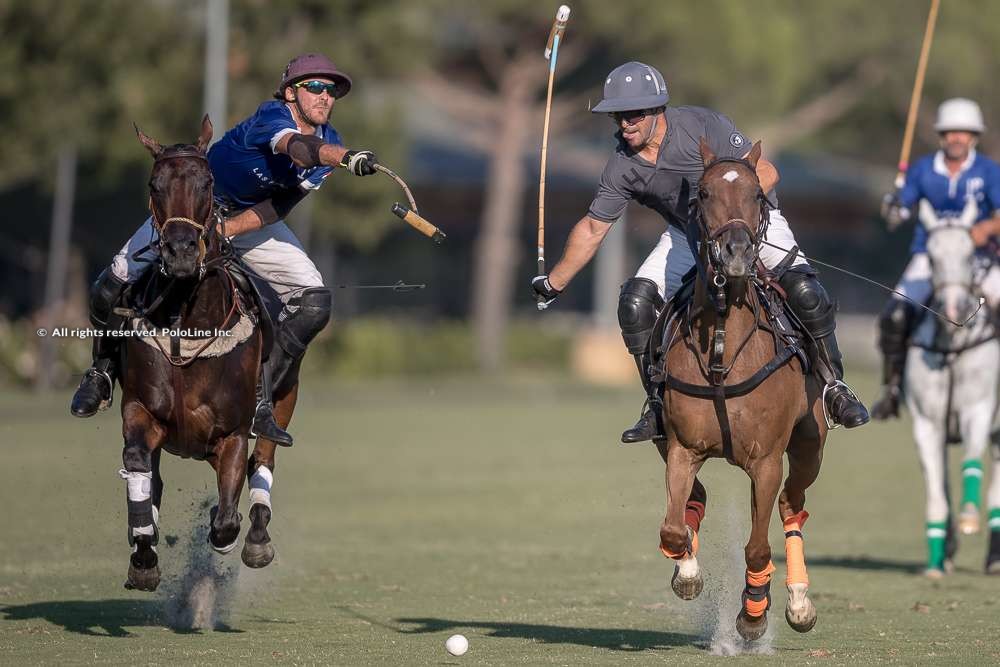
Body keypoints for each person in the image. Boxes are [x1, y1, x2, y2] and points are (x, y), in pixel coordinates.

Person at [531, 61, 869, 444]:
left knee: (808, 294)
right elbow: (594, 228)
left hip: (752, 222)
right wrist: (553, 282)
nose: (625, 123)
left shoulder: (703, 126)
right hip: (688, 234)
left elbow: (768, 171)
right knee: (635, 305)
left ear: (658, 110)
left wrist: (741, 224)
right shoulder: (621, 166)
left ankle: (834, 388)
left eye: (634, 113)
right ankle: (657, 407)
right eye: (618, 115)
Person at [70, 53, 379, 446]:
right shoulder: (273, 118)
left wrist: (228, 229)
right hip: (188, 212)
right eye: (314, 87)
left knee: (315, 301)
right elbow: (297, 149)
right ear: (290, 93)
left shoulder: (330, 141)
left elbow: (278, 206)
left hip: (247, 222)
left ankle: (261, 400)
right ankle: (101, 371)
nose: (325, 96)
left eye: (331, 90)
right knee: (108, 287)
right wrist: (347, 158)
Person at [873, 98, 1000, 419]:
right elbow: (900, 212)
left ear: (974, 136)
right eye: (950, 132)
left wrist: (987, 226)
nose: (956, 138)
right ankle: (892, 388)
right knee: (894, 316)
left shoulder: (988, 171)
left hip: (979, 259)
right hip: (928, 258)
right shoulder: (923, 169)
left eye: (964, 132)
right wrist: (893, 207)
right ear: (942, 136)